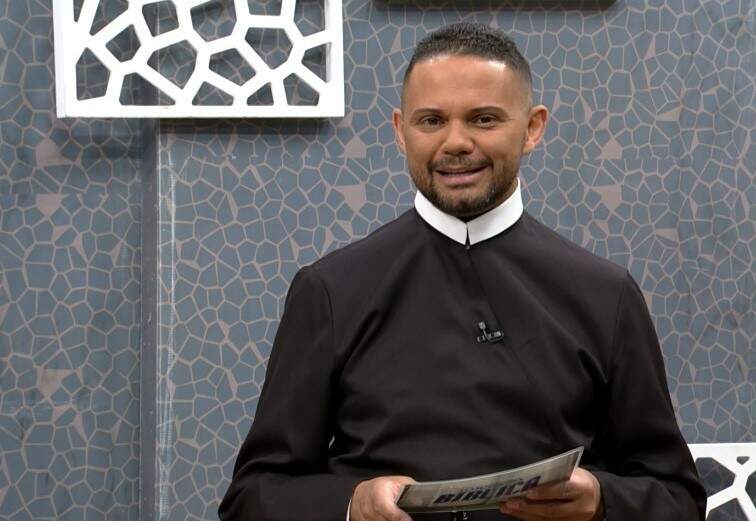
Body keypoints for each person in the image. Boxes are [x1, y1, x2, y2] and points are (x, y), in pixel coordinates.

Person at [218, 22, 706, 521]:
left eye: (484, 119)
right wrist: (350, 505)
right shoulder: (329, 290)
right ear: (400, 131)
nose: (455, 142)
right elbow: (251, 499)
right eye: (431, 121)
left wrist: (602, 501)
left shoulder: (606, 295)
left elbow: (679, 499)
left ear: (533, 128)